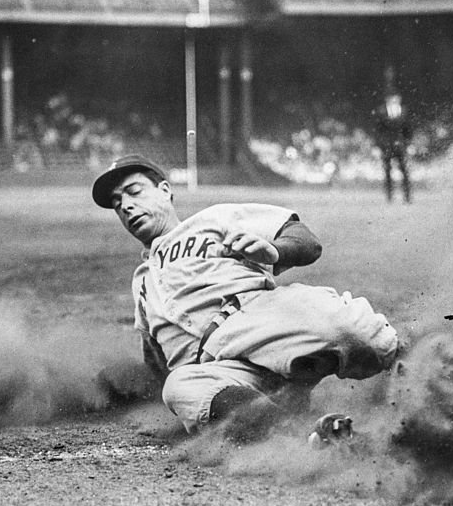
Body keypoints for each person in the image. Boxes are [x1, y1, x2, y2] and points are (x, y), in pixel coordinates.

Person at [92, 154, 399, 442]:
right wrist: (115, 386)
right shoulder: (141, 282)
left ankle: (421, 368)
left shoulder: (212, 219)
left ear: (164, 190)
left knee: (353, 332)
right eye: (117, 203)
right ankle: (308, 435)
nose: (126, 207)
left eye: (134, 192)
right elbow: (158, 364)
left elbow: (306, 241)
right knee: (179, 388)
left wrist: (276, 251)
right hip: (224, 372)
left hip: (260, 319)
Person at [373, 66, 413, 203]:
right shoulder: (382, 112)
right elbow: (378, 129)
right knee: (388, 172)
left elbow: (407, 128)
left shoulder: (403, 112)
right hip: (387, 144)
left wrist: (407, 141)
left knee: (404, 171)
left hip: (399, 144)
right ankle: (390, 196)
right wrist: (380, 143)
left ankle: (407, 196)